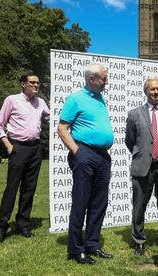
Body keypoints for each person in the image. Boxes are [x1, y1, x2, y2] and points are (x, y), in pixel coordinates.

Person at [57, 63, 114, 264]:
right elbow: (62, 128)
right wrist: (77, 151)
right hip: (85, 154)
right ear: (92, 79)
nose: (107, 81)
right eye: (104, 78)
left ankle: (92, 244)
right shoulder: (75, 98)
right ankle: (76, 249)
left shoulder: (100, 98)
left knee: (99, 202)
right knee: (81, 202)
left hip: (103, 156)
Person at [0, 72, 50, 245]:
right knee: (12, 188)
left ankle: (23, 224)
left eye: (38, 83)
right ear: (23, 84)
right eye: (32, 82)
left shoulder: (41, 102)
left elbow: (51, 118)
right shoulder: (12, 100)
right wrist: (9, 145)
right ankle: (1, 228)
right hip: (18, 147)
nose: (36, 86)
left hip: (35, 149)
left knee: (29, 189)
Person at [125, 78, 158, 256]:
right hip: (143, 165)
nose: (156, 92)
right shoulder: (134, 114)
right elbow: (129, 141)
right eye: (152, 89)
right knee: (139, 205)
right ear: (146, 91)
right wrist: (142, 154)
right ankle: (139, 240)